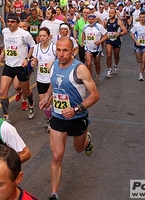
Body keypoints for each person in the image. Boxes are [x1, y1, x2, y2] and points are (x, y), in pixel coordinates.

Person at [38, 37, 100, 200]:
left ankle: (87, 141)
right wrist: (46, 98)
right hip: (57, 117)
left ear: (73, 51)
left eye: (65, 50)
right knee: (57, 156)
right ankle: (54, 194)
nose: (61, 53)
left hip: (77, 117)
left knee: (79, 149)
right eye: (58, 50)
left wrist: (75, 109)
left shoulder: (80, 69)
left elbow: (95, 95)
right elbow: (53, 84)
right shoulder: (52, 66)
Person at [0, 14, 36, 122]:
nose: (10, 23)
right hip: (9, 66)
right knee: (2, 91)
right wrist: (2, 54)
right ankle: (6, 116)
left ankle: (31, 105)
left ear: (17, 23)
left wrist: (27, 59)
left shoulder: (25, 34)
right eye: (8, 21)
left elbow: (32, 46)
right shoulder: (5, 31)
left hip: (20, 66)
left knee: (26, 91)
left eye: (12, 21)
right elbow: (6, 44)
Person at [30, 27, 57, 131]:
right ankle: (50, 118)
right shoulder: (36, 48)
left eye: (44, 36)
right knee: (43, 102)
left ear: (49, 36)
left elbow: (59, 61)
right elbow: (35, 59)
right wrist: (33, 62)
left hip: (51, 79)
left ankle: (53, 120)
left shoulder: (54, 48)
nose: (42, 38)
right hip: (41, 78)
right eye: (40, 36)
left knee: (49, 102)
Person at [82, 14, 108, 85]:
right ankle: (90, 79)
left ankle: (97, 75)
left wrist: (100, 41)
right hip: (88, 48)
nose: (91, 21)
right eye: (89, 19)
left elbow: (106, 36)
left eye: (92, 19)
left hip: (97, 49)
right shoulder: (85, 27)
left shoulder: (99, 27)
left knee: (97, 64)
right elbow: (83, 34)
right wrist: (83, 42)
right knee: (89, 64)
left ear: (95, 20)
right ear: (87, 20)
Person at [105, 8, 127, 78]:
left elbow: (125, 31)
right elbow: (102, 30)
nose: (110, 14)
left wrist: (119, 34)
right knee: (108, 55)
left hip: (117, 40)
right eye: (109, 13)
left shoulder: (118, 21)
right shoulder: (106, 22)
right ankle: (109, 69)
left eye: (112, 13)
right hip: (109, 40)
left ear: (115, 14)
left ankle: (116, 65)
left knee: (116, 55)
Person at [129, 12, 145, 81]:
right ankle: (142, 66)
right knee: (139, 60)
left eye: (143, 17)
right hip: (138, 46)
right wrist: (136, 41)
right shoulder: (136, 25)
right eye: (141, 17)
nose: (142, 19)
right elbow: (131, 33)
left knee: (144, 59)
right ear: (139, 18)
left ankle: (141, 74)